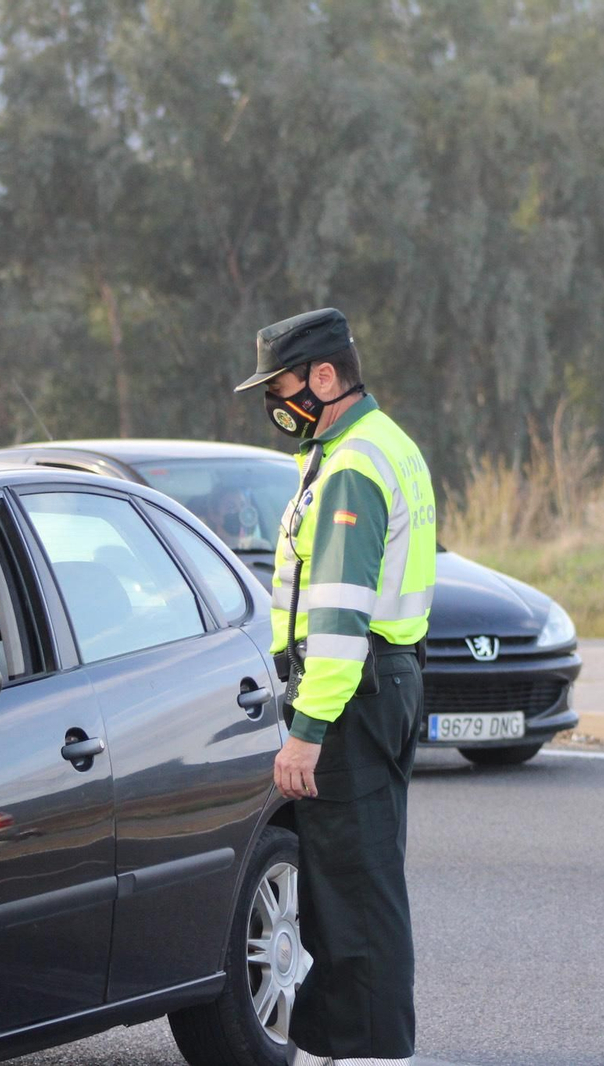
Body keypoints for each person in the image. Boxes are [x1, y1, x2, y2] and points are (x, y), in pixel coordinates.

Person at [233, 307, 437, 1066]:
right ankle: (362, 1047)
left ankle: (370, 1053)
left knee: (354, 894)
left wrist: (307, 730)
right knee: (362, 881)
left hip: (351, 693)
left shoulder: (353, 465)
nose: (274, 407)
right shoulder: (382, 446)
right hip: (384, 683)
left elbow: (342, 611)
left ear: (325, 377)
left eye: (280, 388)